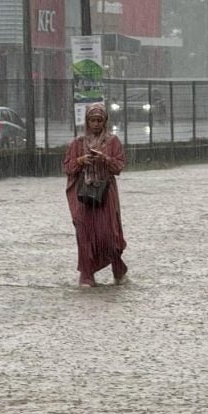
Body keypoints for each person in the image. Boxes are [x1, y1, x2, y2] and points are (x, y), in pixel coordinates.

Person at [62, 103, 127, 288]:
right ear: (87, 121)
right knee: (84, 233)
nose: (96, 124)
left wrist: (105, 159)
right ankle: (86, 274)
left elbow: (119, 166)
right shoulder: (77, 143)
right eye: (92, 120)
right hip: (83, 196)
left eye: (99, 120)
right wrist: (80, 161)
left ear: (105, 121)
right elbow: (67, 167)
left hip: (105, 195)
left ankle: (118, 267)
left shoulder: (113, 142)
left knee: (108, 235)